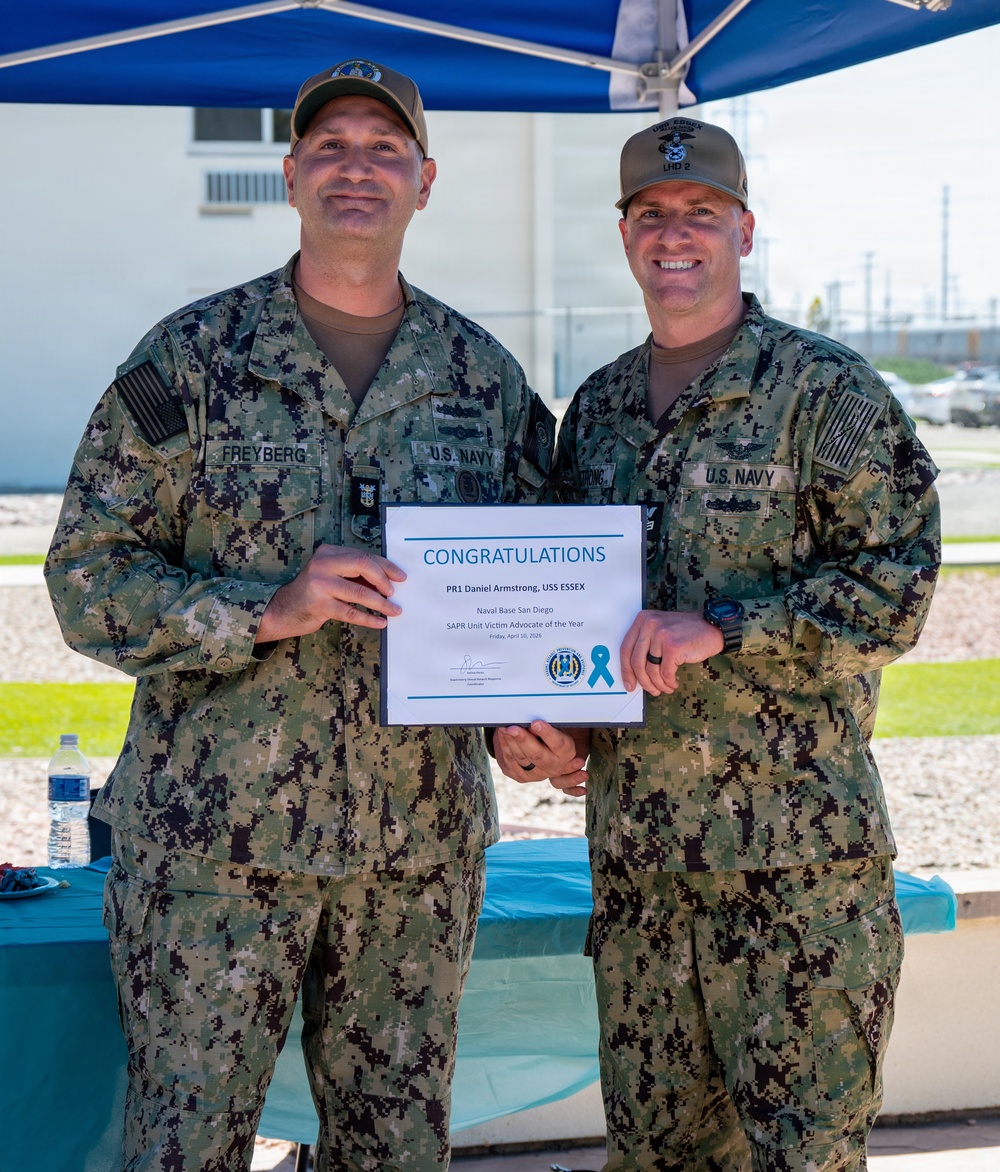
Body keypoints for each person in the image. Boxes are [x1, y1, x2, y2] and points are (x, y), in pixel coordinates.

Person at [45, 59, 554, 1172]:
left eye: (384, 149)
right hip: (213, 849)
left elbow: (537, 593)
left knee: (395, 1151)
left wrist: (534, 718)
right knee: (186, 1147)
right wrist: (265, 610)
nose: (355, 168)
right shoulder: (191, 360)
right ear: (290, 176)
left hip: (414, 853)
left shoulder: (484, 379)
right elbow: (87, 576)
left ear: (425, 181)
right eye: (330, 147)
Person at [494, 117, 940, 1171]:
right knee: (654, 1156)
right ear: (624, 234)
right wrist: (551, 725)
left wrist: (727, 629)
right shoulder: (598, 410)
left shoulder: (824, 393)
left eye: (701, 212)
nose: (674, 234)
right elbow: (568, 607)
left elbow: (898, 586)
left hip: (795, 873)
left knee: (804, 1157)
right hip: (642, 875)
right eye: (651, 213)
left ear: (743, 228)